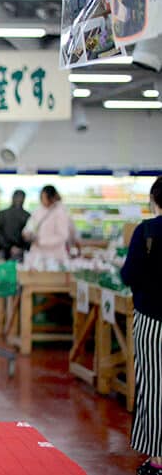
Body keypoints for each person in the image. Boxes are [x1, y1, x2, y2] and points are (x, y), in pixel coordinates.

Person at [120, 176, 162, 475]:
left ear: (155, 199)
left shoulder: (147, 231)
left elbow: (129, 274)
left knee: (155, 386)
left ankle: (159, 458)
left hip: (153, 318)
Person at [23, 185, 72, 265]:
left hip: (54, 255)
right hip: (37, 254)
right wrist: (26, 233)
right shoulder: (38, 210)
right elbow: (30, 225)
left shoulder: (61, 212)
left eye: (44, 197)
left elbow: (63, 236)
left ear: (51, 198)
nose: (42, 200)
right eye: (41, 197)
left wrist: (42, 241)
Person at [0, 190, 31, 261]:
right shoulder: (27, 216)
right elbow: (29, 237)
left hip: (4, 252)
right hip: (18, 253)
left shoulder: (1, 214)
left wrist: (10, 247)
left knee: (3, 271)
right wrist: (18, 248)